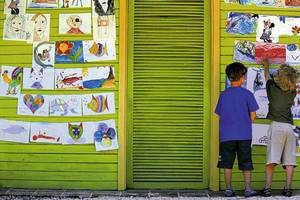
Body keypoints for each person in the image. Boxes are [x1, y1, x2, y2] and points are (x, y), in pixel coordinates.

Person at [215, 62, 259, 197]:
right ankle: (248, 189)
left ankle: (228, 189)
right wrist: (245, 123)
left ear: (229, 78)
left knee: (227, 163)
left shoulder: (223, 95)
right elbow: (253, 115)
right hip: (244, 134)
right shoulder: (247, 94)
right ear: (242, 77)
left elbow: (219, 114)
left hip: (226, 135)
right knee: (246, 162)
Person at [259, 59, 299, 197]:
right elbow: (293, 80)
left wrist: (266, 66)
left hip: (276, 126)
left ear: (279, 78)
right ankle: (288, 189)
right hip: (289, 128)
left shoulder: (272, 89)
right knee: (289, 161)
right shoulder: (293, 92)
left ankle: (267, 188)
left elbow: (268, 77)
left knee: (271, 159)